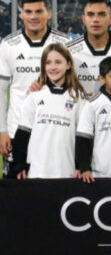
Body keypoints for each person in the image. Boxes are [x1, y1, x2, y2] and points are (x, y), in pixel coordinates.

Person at [0, 0, 71, 175]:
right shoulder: (9, 45)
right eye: (28, 11)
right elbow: (1, 91)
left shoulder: (64, 43)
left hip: (53, 131)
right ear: (21, 14)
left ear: (49, 13)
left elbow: (71, 84)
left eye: (39, 11)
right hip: (17, 130)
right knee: (16, 194)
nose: (33, 16)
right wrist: (2, 130)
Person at [10, 44, 86, 179]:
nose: (53, 67)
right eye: (48, 63)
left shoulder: (78, 99)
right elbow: (23, 134)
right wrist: (20, 165)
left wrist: (82, 166)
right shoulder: (34, 97)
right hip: (37, 172)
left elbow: (82, 138)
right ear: (44, 67)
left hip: (67, 173)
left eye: (58, 62)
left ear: (68, 65)